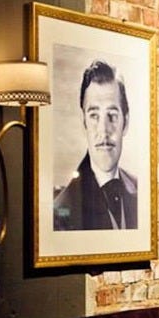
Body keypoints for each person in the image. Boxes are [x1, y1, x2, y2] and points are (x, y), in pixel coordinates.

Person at [53, 59, 137, 230]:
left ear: (126, 123)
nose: (103, 130)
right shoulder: (61, 212)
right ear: (84, 123)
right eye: (94, 116)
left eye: (112, 115)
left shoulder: (143, 192)